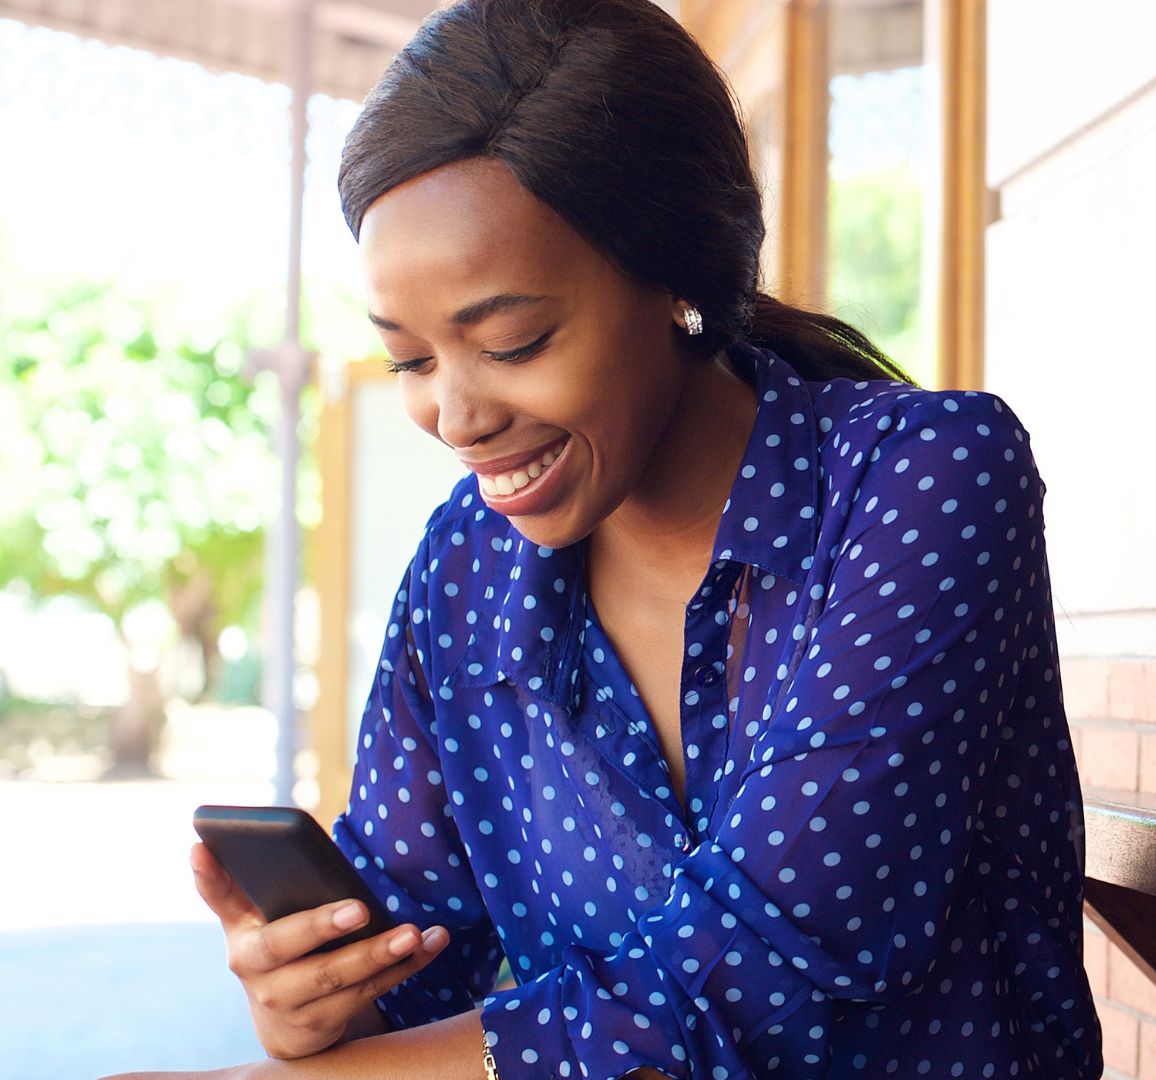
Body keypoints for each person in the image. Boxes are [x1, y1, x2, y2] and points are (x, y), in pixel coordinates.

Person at [111, 1, 1101, 1078]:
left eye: (513, 341)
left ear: (675, 277)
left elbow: (774, 975)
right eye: (411, 361)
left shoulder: (922, 479)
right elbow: (409, 982)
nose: (458, 414)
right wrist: (309, 1005)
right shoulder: (468, 569)